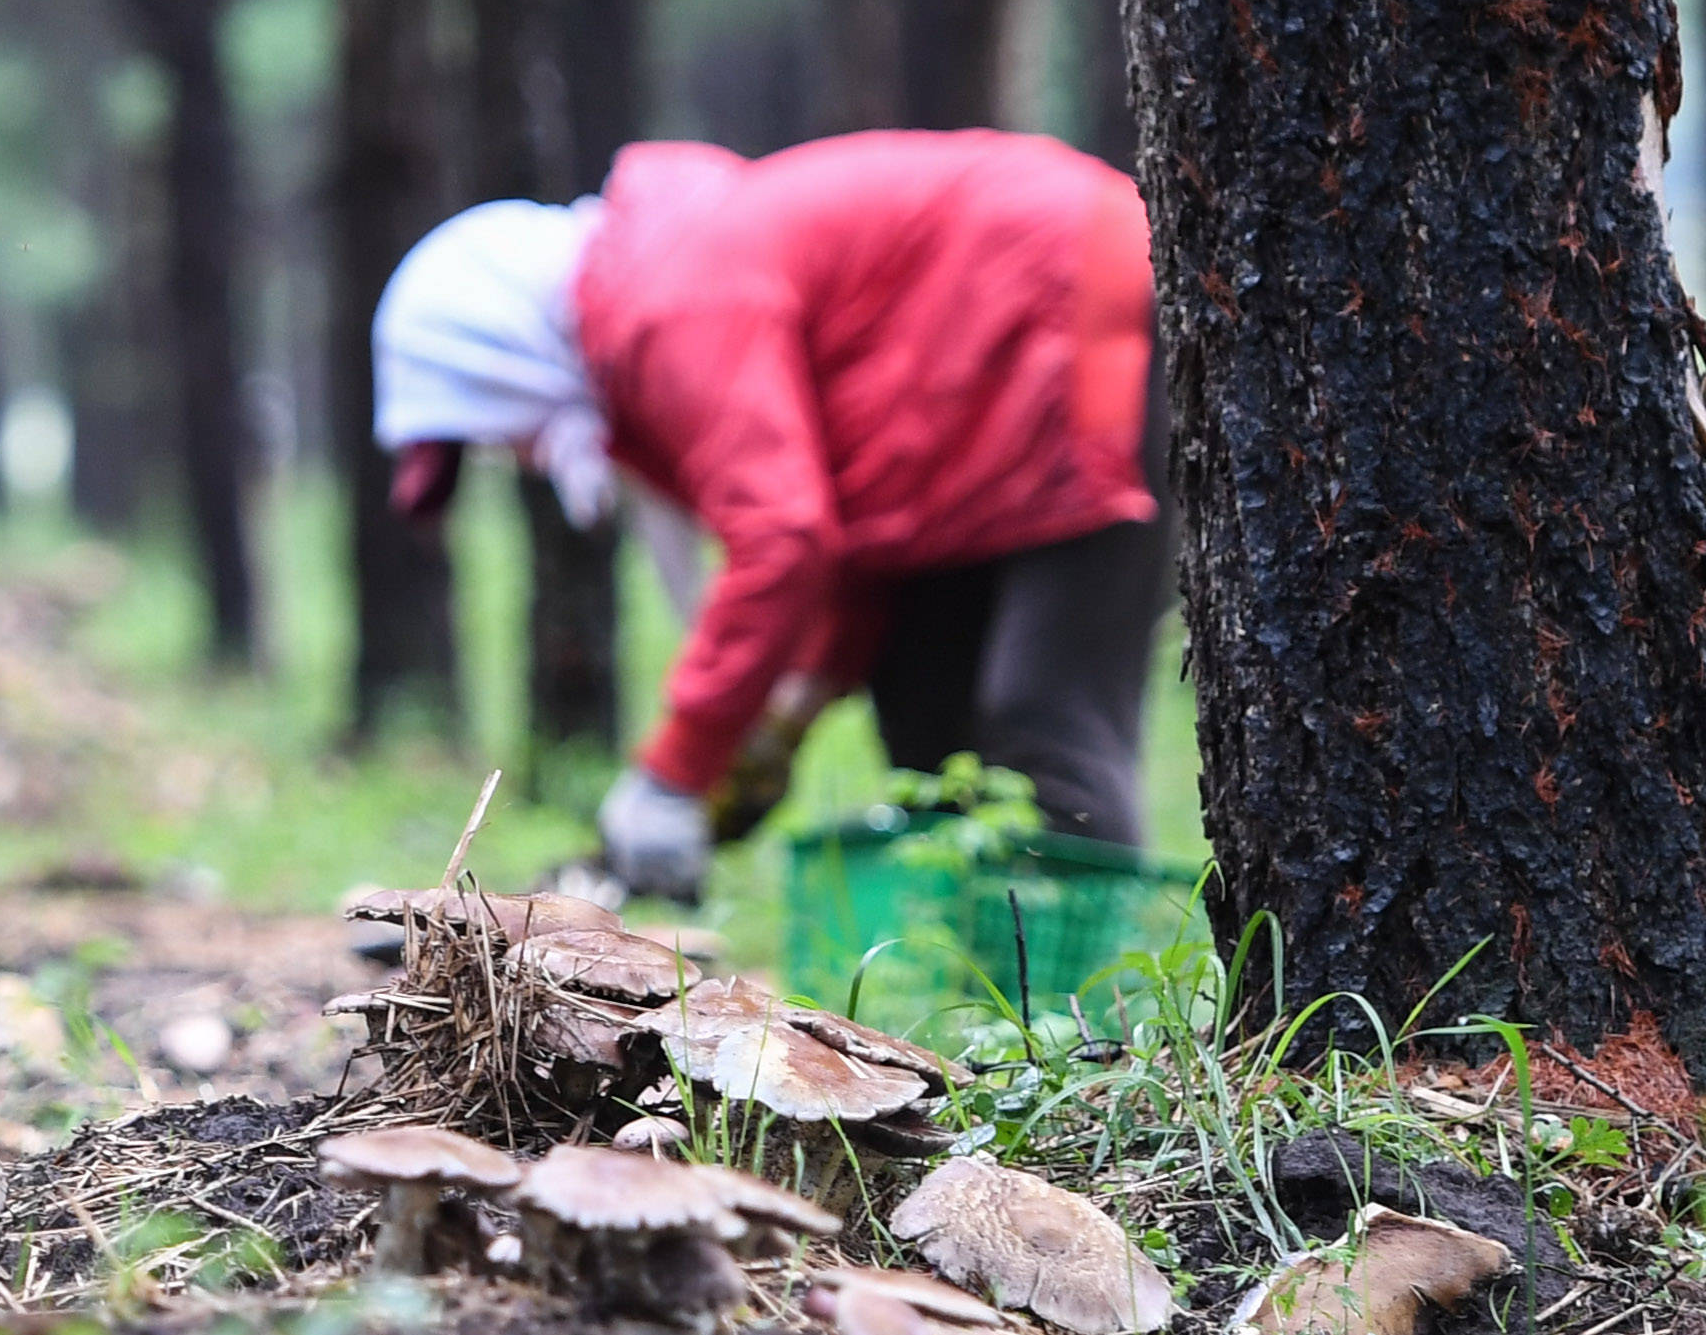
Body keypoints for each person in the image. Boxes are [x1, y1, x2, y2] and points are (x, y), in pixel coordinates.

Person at [373, 129, 1166, 903]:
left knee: (1040, 722)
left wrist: (674, 772)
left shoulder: (672, 304)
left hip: (1068, 308)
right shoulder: (667, 284)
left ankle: (1091, 1025)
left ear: (499, 361)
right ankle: (988, 1011)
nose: (515, 457)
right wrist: (786, 712)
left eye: (489, 432)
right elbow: (855, 533)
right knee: (927, 719)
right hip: (976, 410)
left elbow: (785, 539)